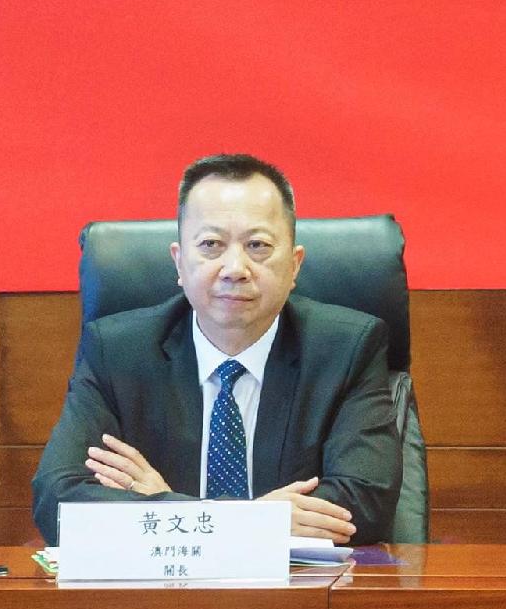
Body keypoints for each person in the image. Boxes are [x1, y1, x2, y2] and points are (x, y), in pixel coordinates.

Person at [30, 152, 401, 546]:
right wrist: (251, 522)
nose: (235, 268)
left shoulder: (346, 350)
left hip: (294, 598)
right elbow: (58, 500)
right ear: (179, 261)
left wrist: (162, 503)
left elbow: (366, 502)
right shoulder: (116, 352)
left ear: (295, 265)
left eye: (257, 245)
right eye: (211, 244)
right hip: (158, 597)